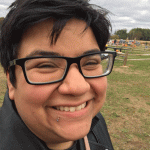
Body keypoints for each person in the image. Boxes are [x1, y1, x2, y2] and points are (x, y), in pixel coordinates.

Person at [0, 0, 116, 149]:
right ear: (11, 81)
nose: (78, 87)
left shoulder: (96, 122)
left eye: (90, 63)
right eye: (46, 65)